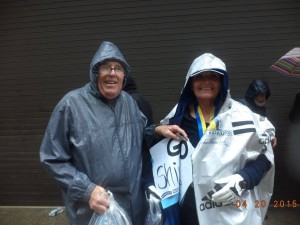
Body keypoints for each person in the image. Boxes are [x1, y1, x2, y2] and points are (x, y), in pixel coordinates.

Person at [39, 41, 187, 225]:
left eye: (118, 68)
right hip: (95, 211)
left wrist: (157, 130)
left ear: (124, 76)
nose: (112, 73)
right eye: (106, 67)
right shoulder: (71, 105)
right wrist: (87, 190)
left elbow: (138, 135)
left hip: (134, 208)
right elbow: (52, 158)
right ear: (95, 73)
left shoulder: (129, 103)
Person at [154, 53, 275, 225]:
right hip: (188, 211)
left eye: (213, 77)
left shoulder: (240, 116)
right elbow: (152, 148)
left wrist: (243, 179)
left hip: (228, 208)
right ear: (190, 83)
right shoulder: (176, 117)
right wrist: (157, 129)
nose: (206, 82)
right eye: (199, 77)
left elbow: (266, 157)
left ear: (221, 82)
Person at [239, 79, 277, 148]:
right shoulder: (240, 106)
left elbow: (264, 124)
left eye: (265, 95)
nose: (264, 98)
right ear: (253, 94)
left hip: (259, 146)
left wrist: (271, 136)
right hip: (245, 146)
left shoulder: (261, 107)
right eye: (261, 95)